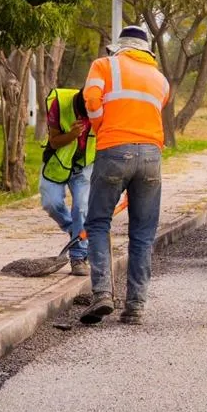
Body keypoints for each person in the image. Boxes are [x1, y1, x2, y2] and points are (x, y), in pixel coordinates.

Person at [78, 25, 170, 327]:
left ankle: (103, 293)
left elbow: (91, 100)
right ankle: (135, 308)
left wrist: (102, 128)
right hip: (152, 157)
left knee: (98, 221)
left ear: (119, 48)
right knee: (143, 233)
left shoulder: (104, 65)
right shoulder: (161, 79)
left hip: (114, 150)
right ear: (146, 51)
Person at [39, 87, 94, 276]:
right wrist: (72, 135)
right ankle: (76, 232)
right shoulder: (60, 104)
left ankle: (78, 257)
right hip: (58, 162)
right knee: (51, 203)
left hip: (85, 166)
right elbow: (53, 142)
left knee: (81, 208)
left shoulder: (106, 109)